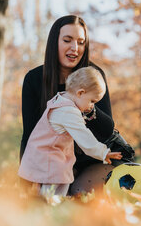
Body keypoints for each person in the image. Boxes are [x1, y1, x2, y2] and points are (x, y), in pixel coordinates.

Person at [20, 15, 116, 195]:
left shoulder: (94, 76)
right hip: (48, 166)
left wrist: (88, 106)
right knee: (43, 205)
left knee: (81, 198)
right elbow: (29, 135)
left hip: (88, 163)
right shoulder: (34, 79)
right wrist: (27, 176)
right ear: (54, 42)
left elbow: (107, 130)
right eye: (67, 40)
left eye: (81, 42)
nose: (75, 48)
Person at [19, 67, 122, 197]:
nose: (91, 106)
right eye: (92, 101)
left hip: (41, 159)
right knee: (54, 194)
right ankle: (51, 210)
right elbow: (84, 137)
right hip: (50, 163)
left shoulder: (60, 100)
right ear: (80, 93)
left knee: (44, 193)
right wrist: (103, 152)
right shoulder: (69, 112)